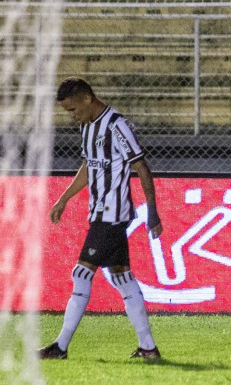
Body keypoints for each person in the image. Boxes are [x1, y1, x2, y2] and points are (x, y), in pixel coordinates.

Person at [39, 78, 162, 360]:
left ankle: (60, 347)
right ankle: (149, 349)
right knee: (123, 277)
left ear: (86, 99)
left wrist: (152, 210)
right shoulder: (87, 127)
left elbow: (141, 165)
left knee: (81, 273)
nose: (72, 115)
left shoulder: (116, 124)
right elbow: (88, 166)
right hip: (99, 214)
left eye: (72, 109)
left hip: (113, 214)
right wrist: (64, 198)